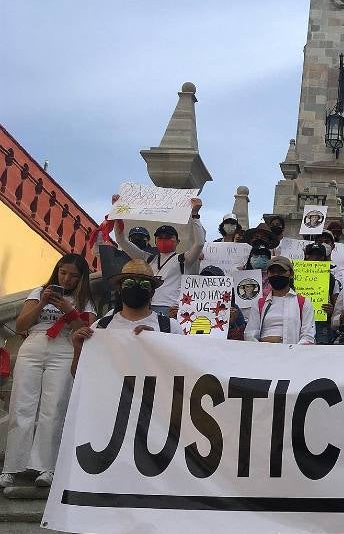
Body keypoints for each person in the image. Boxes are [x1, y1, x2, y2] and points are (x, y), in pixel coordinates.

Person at [1, 254, 96, 489]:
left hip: (64, 347)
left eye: (74, 276)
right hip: (34, 344)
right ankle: (12, 467)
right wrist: (43, 303)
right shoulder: (38, 292)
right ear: (57, 271)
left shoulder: (84, 301)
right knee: (21, 405)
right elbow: (21, 325)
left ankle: (47, 467)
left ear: (81, 278)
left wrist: (68, 309)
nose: (67, 279)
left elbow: (87, 330)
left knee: (54, 407)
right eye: (63, 273)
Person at [69, 260, 184, 377]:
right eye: (129, 283)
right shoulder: (100, 327)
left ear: (153, 292)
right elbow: (80, 377)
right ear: (119, 288)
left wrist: (156, 344)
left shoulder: (170, 327)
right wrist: (78, 350)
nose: (136, 287)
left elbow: (184, 373)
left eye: (145, 284)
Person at [113, 195, 204, 317]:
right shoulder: (147, 258)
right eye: (160, 238)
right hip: (147, 307)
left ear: (178, 241)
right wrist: (117, 213)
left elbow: (199, 243)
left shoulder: (183, 259)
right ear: (155, 241)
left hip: (171, 309)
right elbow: (121, 240)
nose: (164, 240)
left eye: (168, 237)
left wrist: (195, 215)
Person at [244, 257, 315, 344]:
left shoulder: (304, 303)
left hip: (293, 354)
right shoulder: (259, 304)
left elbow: (308, 336)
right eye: (272, 272)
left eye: (281, 271)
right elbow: (250, 334)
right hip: (264, 354)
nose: (276, 275)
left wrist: (291, 351)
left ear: (291, 274)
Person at [199, 265, 247, 341]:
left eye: (213, 281)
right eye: (204, 281)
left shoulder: (233, 308)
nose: (208, 285)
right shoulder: (190, 307)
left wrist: (231, 323)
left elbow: (241, 339)